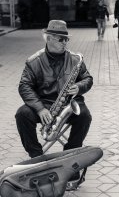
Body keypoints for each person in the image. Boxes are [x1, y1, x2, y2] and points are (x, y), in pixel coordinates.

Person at [15, 20, 93, 159]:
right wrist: (39, 108)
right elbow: (24, 86)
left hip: (69, 103)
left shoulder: (75, 59)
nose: (65, 43)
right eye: (61, 39)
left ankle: (69, 153)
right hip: (44, 103)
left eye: (66, 39)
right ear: (49, 38)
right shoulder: (34, 61)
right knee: (22, 114)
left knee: (85, 116)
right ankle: (36, 155)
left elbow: (88, 79)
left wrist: (79, 87)